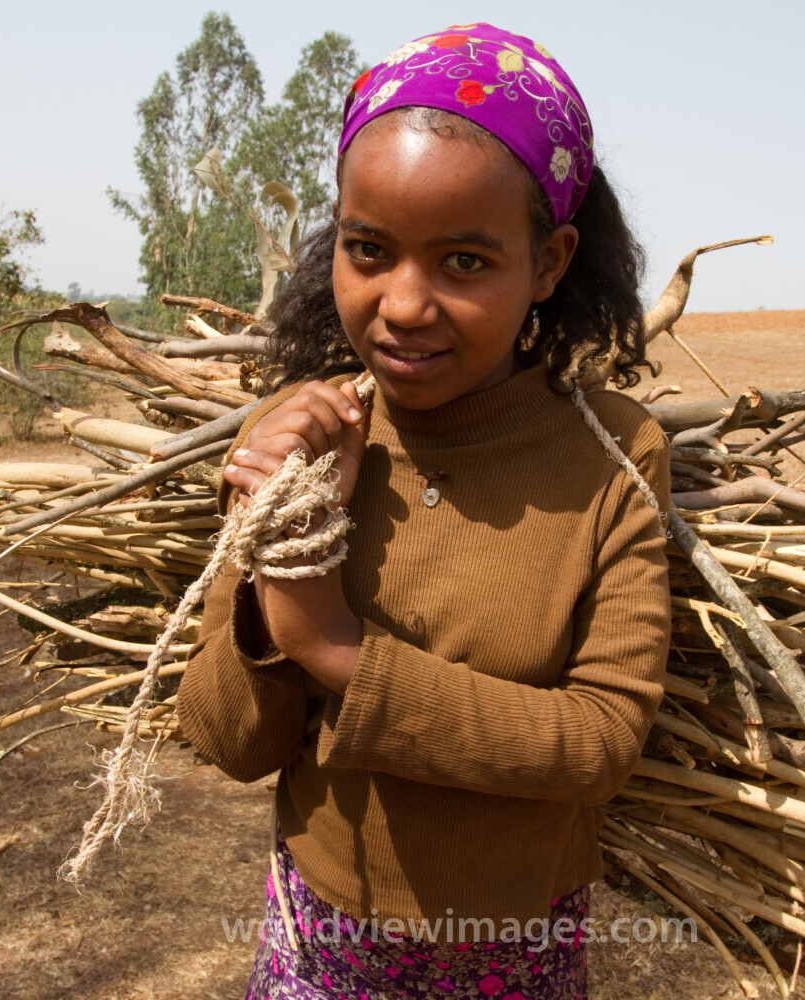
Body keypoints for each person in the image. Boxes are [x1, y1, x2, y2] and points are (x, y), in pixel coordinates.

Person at [174, 24, 671, 999]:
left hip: (513, 953)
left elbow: (603, 739)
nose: (403, 303)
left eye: (464, 263)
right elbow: (225, 742)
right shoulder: (303, 439)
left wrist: (338, 652)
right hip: (314, 942)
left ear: (550, 262)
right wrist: (276, 583)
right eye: (370, 250)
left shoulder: (612, 456)